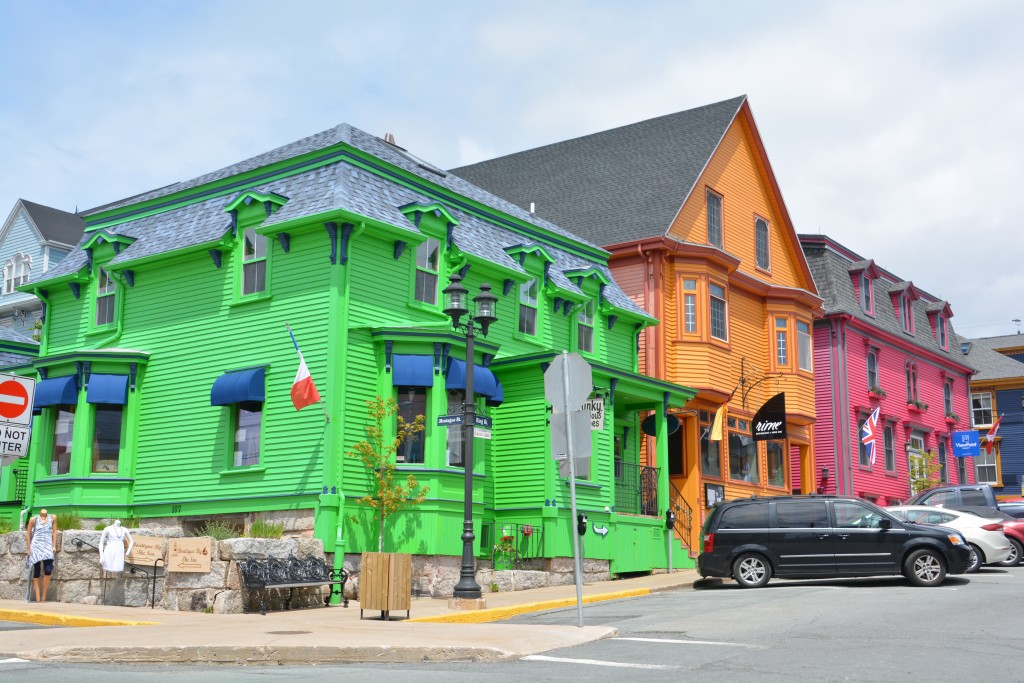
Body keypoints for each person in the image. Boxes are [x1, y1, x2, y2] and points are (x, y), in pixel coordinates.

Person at [26, 509, 58, 602]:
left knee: (48, 569)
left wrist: (54, 545)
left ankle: (44, 596)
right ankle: (38, 597)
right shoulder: (34, 519)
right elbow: (28, 534)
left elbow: (55, 531)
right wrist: (28, 548)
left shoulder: (53, 517)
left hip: (47, 545)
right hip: (36, 546)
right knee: (37, 569)